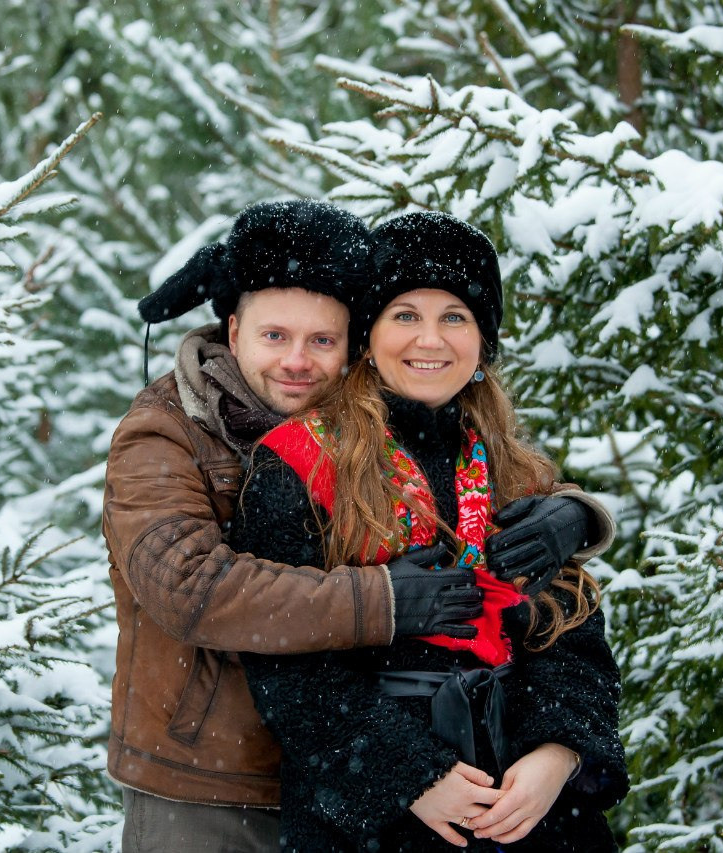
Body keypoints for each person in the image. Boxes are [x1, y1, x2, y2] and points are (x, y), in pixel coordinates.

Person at [230, 211, 628, 851]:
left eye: (455, 317)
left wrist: (559, 753)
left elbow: (572, 633)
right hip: (378, 812)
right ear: (369, 334)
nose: (431, 340)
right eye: (405, 315)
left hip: (524, 803)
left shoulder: (511, 466)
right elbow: (283, 660)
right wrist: (410, 775)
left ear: (482, 342)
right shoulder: (302, 460)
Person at [103, 200, 492, 852]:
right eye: (275, 336)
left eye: (322, 341)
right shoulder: (165, 431)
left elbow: (475, 448)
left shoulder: (355, 427)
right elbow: (191, 588)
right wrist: (381, 601)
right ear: (233, 331)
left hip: (334, 781)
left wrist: (572, 510)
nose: (297, 361)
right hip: (209, 783)